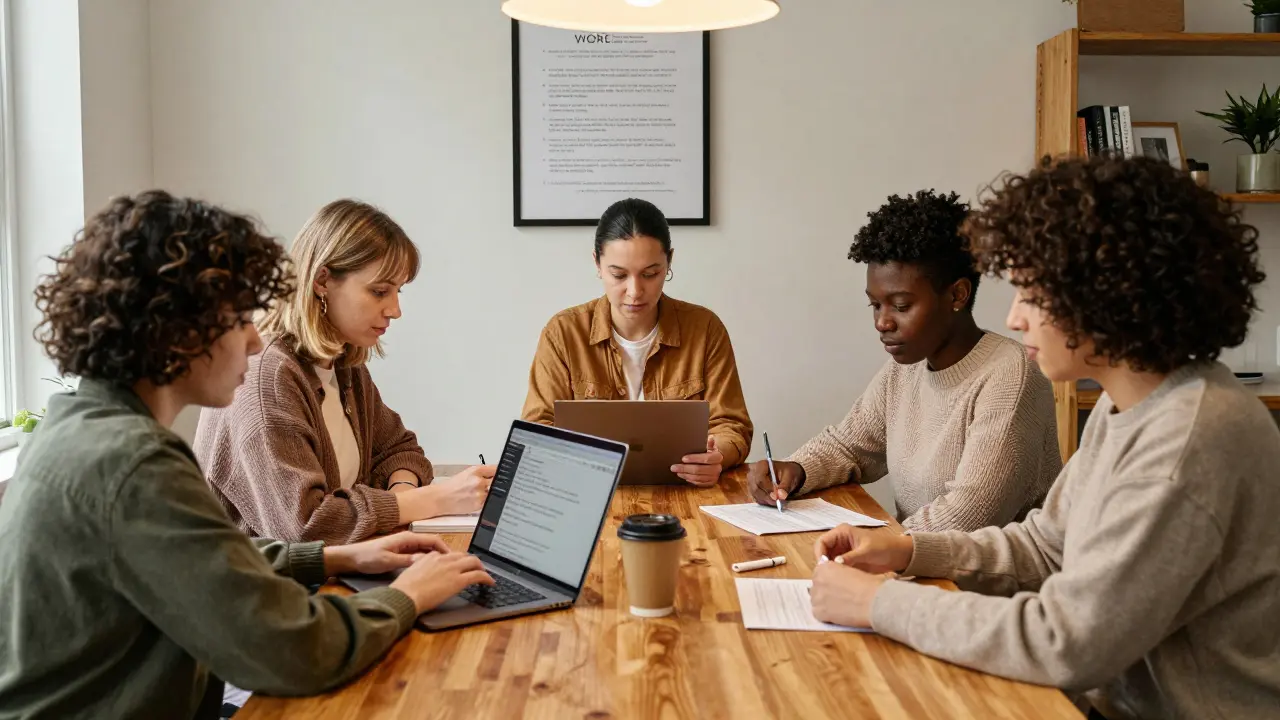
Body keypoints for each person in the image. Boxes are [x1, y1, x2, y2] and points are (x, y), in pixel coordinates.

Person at [808, 156, 1280, 719]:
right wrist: (910, 550)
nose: (1015, 318)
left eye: (1033, 294)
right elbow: (1046, 546)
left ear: (1105, 295)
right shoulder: (1128, 404)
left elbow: (1068, 641)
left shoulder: (1189, 439)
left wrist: (881, 603)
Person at [0, 191, 494, 718]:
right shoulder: (135, 465)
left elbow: (201, 560)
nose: (256, 341)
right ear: (176, 328)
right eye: (240, 318)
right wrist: (408, 596)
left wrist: (334, 557)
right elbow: (294, 649)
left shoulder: (83, 426)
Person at [748, 190, 1060, 532]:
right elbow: (849, 446)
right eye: (875, 305)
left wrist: (882, 546)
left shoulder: (1011, 375)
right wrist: (795, 469)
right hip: (908, 557)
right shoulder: (905, 369)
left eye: (900, 306)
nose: (882, 322)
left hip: (965, 567)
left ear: (957, 294)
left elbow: (969, 515)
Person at [195, 199, 494, 544]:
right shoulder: (269, 378)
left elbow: (399, 449)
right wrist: (430, 500)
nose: (395, 310)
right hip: (263, 578)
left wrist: (403, 493)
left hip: (341, 566)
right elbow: (307, 527)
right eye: (379, 291)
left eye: (397, 291)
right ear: (322, 281)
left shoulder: (343, 364)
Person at [521, 198, 753, 486]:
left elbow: (731, 425)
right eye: (618, 274)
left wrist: (717, 456)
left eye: (650, 274)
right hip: (585, 490)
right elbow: (537, 429)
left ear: (669, 261)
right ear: (597, 263)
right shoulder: (563, 333)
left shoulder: (705, 329)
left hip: (684, 491)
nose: (634, 291)